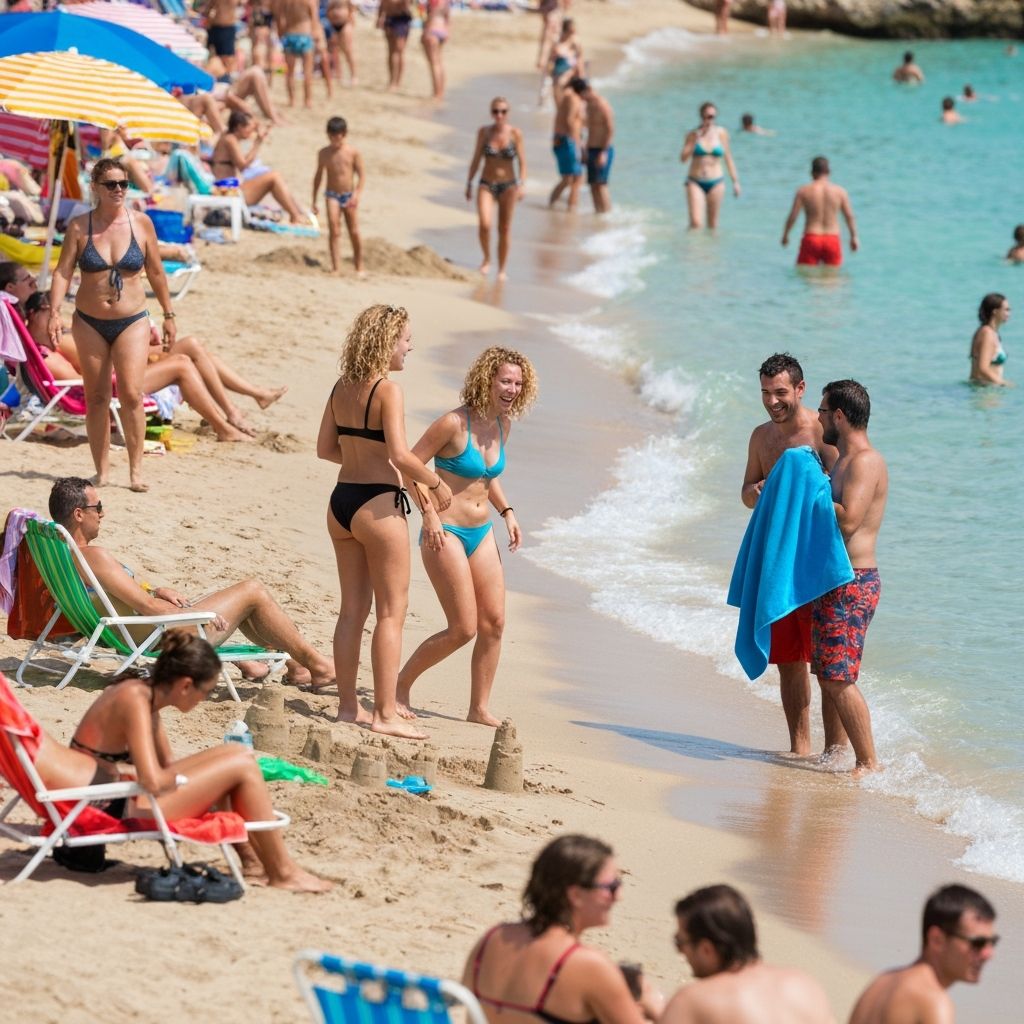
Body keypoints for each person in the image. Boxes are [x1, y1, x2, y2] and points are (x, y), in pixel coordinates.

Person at [65, 630, 331, 892]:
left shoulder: (143, 692)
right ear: (186, 685)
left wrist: (201, 779)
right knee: (239, 766)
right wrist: (192, 781)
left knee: (237, 757)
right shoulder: (135, 699)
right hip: (106, 806)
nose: (204, 699)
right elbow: (153, 780)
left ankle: (254, 864)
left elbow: (166, 764)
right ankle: (282, 872)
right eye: (206, 691)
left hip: (115, 795)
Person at [48, 477, 335, 688]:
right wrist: (203, 615)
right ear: (78, 514)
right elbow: (149, 609)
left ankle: (297, 667)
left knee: (243, 603)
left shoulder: (60, 554)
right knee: (253, 592)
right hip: (159, 639)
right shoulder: (93, 557)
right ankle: (317, 665)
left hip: (137, 632)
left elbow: (132, 597)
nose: (102, 513)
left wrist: (157, 590)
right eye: (98, 506)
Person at [315, 305, 452, 738]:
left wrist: (360, 456)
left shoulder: (342, 386)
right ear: (386, 341)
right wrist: (434, 481)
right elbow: (400, 454)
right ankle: (385, 714)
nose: (410, 346)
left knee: (352, 610)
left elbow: (325, 448)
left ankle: (347, 708)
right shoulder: (386, 391)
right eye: (405, 338)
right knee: (392, 613)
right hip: (377, 505)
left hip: (342, 501)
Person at [396, 347, 537, 727]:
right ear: (487, 379)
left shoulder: (503, 424)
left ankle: (478, 708)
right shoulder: (454, 424)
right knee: (463, 628)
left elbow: (486, 477)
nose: (512, 388)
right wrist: (427, 515)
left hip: (481, 532)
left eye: (518, 383)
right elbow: (409, 467)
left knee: (494, 623)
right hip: (445, 532)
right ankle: (400, 686)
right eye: (505, 380)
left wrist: (506, 512)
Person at [47, 159, 176, 493]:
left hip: (131, 320)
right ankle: (101, 471)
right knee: (98, 396)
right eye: (111, 184)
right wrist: (54, 311)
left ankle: (136, 471)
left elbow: (157, 272)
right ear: (96, 187)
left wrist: (169, 314)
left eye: (124, 184)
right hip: (89, 321)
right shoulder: (79, 227)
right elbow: (62, 272)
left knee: (132, 393)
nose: (119, 190)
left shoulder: (142, 224)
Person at [742, 353, 837, 756]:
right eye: (765, 392)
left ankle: (835, 752)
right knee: (788, 660)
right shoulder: (761, 437)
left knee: (827, 665)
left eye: (780, 392)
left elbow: (843, 494)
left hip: (816, 566)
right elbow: (746, 493)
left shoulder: (821, 433)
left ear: (800, 388)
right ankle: (800, 748)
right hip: (777, 563)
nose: (772, 401)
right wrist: (756, 492)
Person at [25, 291, 283, 438]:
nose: (58, 317)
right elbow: (105, 366)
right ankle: (226, 423)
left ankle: (239, 408)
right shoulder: (61, 344)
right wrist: (144, 349)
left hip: (114, 375)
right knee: (183, 360)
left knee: (192, 348)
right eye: (53, 311)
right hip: (112, 384)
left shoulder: (54, 343)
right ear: (34, 315)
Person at [462, 834, 647, 1024]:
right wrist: (653, 1003)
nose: (619, 896)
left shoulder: (492, 938)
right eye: (612, 887)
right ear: (576, 895)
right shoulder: (588, 965)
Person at [813, 379, 888, 773]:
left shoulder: (864, 461)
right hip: (836, 579)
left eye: (823, 411)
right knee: (828, 673)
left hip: (854, 581)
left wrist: (812, 490)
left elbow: (849, 520)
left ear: (839, 416)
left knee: (839, 677)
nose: (819, 417)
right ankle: (835, 754)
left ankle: (869, 763)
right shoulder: (842, 457)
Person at [664, 885, 836, 1024]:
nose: (680, 951)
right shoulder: (805, 986)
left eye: (680, 942)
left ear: (706, 950)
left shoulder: (693, 1002)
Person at [848, 884, 998, 1024]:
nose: (988, 954)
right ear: (937, 939)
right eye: (977, 944)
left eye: (993, 942)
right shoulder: (934, 1002)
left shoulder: (882, 982)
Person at [465, 98, 527, 279]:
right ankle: (486, 259)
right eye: (496, 111)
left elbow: (522, 163)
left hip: (509, 186)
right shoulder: (484, 132)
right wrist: (469, 182)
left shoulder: (516, 134)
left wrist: (522, 184)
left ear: (508, 113)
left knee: (504, 228)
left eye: (503, 111)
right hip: (486, 183)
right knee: (485, 224)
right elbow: (476, 158)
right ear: (491, 112)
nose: (499, 115)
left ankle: (502, 269)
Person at [211, 111, 306, 223]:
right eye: (249, 128)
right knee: (273, 177)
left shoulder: (227, 137)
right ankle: (296, 216)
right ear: (239, 127)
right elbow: (243, 165)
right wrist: (257, 143)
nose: (252, 132)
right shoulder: (230, 139)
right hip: (227, 193)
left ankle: (297, 214)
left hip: (229, 190)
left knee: (274, 176)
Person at [781, 156, 858, 268]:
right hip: (832, 238)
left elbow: (793, 216)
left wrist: (785, 235)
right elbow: (849, 216)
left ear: (812, 172)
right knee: (832, 278)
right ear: (829, 172)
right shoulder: (840, 192)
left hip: (812, 237)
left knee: (807, 278)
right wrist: (854, 237)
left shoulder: (803, 191)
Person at [312, 116, 365, 275]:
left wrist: (356, 194)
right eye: (332, 135)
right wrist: (314, 200)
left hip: (348, 194)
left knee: (353, 230)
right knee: (334, 229)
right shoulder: (323, 153)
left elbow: (361, 175)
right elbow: (318, 176)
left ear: (344, 134)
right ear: (328, 135)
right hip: (331, 194)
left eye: (338, 135)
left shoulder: (352, 152)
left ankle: (359, 266)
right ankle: (336, 267)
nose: (335, 139)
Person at [680, 102, 740, 230]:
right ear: (701, 116)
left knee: (712, 225)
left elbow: (728, 157)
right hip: (695, 180)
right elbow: (683, 159)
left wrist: (735, 182)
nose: (709, 120)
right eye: (706, 117)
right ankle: (691, 247)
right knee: (696, 223)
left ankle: (710, 249)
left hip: (716, 181)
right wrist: (693, 143)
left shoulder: (721, 133)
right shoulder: (692, 134)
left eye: (712, 117)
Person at [571, 78, 615, 214]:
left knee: (601, 184)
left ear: (587, 91)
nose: (581, 99)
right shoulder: (588, 106)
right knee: (592, 185)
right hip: (591, 148)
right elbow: (587, 129)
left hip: (602, 149)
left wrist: (604, 152)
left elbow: (610, 129)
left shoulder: (602, 105)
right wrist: (583, 149)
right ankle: (598, 214)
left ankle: (607, 214)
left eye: (581, 96)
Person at [272, 0, 319, 108]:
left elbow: (280, 19)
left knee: (290, 72)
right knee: (307, 71)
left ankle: (292, 100)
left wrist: (281, 34)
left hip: (290, 35)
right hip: (305, 35)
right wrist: (315, 34)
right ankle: (308, 101)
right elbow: (314, 19)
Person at [549, 74, 585, 210]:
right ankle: (570, 208)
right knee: (573, 178)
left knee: (571, 178)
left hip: (562, 139)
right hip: (567, 141)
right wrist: (578, 143)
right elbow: (570, 121)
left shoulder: (567, 97)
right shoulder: (573, 99)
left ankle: (556, 204)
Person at [969, 292, 1011, 387]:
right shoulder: (987, 333)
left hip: (988, 389)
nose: (1009, 313)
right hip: (984, 391)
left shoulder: (991, 333)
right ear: (995, 311)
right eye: (1006, 310)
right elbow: (983, 368)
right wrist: (1005, 384)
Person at [543, 18, 584, 105]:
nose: (573, 32)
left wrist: (580, 74)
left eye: (574, 30)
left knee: (565, 92)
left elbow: (580, 58)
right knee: (558, 100)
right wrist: (548, 72)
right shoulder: (557, 41)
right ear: (565, 30)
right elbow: (551, 59)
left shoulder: (575, 41)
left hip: (570, 71)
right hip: (557, 71)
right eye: (571, 30)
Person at [378, 0, 414, 92]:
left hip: (401, 19)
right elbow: (382, 4)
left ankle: (397, 82)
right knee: (391, 52)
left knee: (398, 52)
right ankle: (392, 80)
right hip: (390, 18)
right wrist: (380, 17)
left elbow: (407, 5)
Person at [421, 0, 450, 100]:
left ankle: (436, 93)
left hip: (432, 30)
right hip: (442, 29)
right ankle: (440, 92)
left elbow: (432, 13)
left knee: (434, 64)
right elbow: (447, 16)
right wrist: (447, 30)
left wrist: (426, 31)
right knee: (439, 63)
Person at [325, 0, 357, 85]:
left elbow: (352, 9)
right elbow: (328, 10)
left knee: (348, 51)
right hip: (333, 25)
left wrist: (351, 22)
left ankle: (353, 75)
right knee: (334, 51)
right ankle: (338, 74)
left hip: (345, 24)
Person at [204, 0, 239, 76]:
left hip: (227, 27)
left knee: (228, 59)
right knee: (213, 56)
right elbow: (208, 8)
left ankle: (226, 80)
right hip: (217, 26)